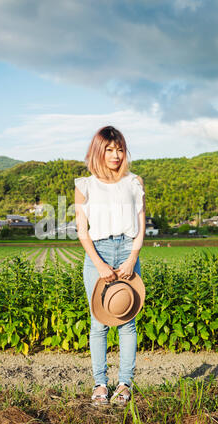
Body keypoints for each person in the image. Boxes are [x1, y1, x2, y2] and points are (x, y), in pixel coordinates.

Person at [74, 126, 146, 405]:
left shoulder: (134, 182)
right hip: (98, 252)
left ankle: (125, 384)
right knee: (99, 324)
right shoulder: (85, 185)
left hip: (128, 250)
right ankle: (100, 384)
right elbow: (82, 230)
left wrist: (131, 258)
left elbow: (140, 226)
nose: (116, 155)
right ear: (98, 151)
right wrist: (99, 264)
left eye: (119, 149)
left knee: (127, 322)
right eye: (109, 149)